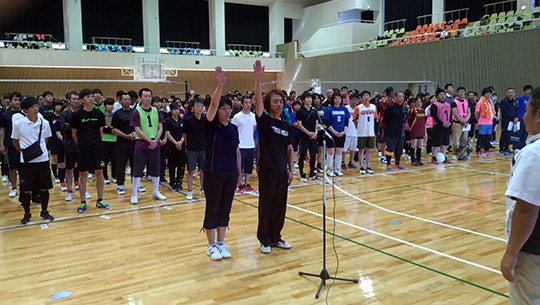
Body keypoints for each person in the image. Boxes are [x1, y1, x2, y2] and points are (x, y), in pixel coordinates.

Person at [500, 86, 540, 304]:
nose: (524, 115)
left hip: (533, 251)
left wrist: (511, 253)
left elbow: (526, 209)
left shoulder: (534, 154)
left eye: (528, 109)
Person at [253, 60, 294, 254]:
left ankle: (276, 237)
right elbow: (258, 103)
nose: (279, 104)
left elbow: (289, 149)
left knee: (280, 205)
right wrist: (258, 80)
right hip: (267, 169)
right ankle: (264, 239)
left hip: (281, 170)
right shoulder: (264, 120)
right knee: (266, 204)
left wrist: (291, 170)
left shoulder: (286, 125)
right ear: (269, 104)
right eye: (275, 101)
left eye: (281, 101)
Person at [201, 66, 241, 261]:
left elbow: (236, 151)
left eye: (229, 108)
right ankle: (210, 245)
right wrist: (220, 84)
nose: (226, 111)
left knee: (225, 208)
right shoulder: (211, 125)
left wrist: (239, 173)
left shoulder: (233, 129)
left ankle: (220, 242)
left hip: (229, 173)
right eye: (223, 108)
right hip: (212, 172)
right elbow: (213, 105)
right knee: (213, 208)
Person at [11, 95, 54, 224]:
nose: (36, 109)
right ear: (25, 110)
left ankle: (45, 211)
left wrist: (39, 151)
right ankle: (27, 213)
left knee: (44, 188)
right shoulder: (19, 124)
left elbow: (46, 140)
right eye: (32, 107)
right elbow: (15, 141)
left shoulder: (44, 123)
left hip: (43, 160)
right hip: (26, 162)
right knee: (25, 189)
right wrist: (24, 153)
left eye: (36, 106)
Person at [71, 89, 108, 212]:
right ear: (82, 100)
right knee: (83, 175)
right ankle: (82, 202)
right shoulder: (77, 115)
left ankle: (100, 199)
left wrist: (96, 143)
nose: (91, 99)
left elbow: (100, 132)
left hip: (97, 148)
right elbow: (74, 134)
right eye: (88, 97)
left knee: (99, 173)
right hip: (83, 149)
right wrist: (83, 144)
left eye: (92, 96)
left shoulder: (99, 114)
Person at [129, 88, 167, 204]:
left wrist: (155, 140)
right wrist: (149, 141)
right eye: (145, 96)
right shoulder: (137, 112)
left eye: (149, 96)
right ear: (140, 98)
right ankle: (134, 193)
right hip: (141, 143)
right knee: (138, 169)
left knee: (156, 168)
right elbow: (137, 130)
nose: (147, 98)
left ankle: (156, 191)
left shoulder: (157, 111)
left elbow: (161, 127)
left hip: (155, 143)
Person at [111, 91, 137, 195]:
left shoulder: (135, 112)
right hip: (122, 143)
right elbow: (113, 129)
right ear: (120, 101)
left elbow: (138, 126)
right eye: (125, 99)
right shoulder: (117, 114)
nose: (127, 101)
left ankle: (135, 183)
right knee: (120, 164)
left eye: (129, 99)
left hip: (134, 143)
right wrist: (125, 135)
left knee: (135, 164)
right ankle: (120, 185)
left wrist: (135, 133)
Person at [231, 94, 258, 191]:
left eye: (249, 103)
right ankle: (239, 184)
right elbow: (233, 131)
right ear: (242, 104)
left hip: (250, 145)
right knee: (239, 167)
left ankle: (246, 183)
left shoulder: (253, 116)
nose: (248, 105)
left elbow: (253, 129)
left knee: (249, 167)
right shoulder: (237, 117)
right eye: (246, 103)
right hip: (240, 146)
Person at [293, 92, 320, 182]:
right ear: (303, 100)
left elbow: (317, 123)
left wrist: (315, 132)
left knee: (313, 154)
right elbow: (299, 125)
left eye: (310, 98)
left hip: (313, 136)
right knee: (303, 155)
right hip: (303, 136)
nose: (309, 100)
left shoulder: (314, 111)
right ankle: (302, 173)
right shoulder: (300, 112)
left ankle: (312, 173)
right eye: (307, 98)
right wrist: (308, 133)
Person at [182, 98, 206, 200]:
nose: (200, 108)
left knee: (203, 170)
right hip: (192, 148)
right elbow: (184, 135)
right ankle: (190, 191)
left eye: (201, 106)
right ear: (192, 108)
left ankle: (203, 189)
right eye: (197, 106)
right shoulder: (188, 120)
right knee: (191, 170)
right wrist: (190, 144)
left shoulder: (205, 120)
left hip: (203, 148)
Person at [0, 92, 22, 197]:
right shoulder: (5, 115)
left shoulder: (25, 114)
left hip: (23, 144)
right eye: (15, 100)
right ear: (10, 101)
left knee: (24, 166)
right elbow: (2, 130)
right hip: (10, 143)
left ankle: (24, 186)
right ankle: (14, 187)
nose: (17, 102)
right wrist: (1, 144)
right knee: (12, 166)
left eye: (19, 100)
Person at [323, 92, 349, 177]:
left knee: (339, 152)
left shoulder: (344, 109)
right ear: (333, 99)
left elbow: (346, 121)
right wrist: (334, 132)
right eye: (336, 98)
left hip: (341, 134)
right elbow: (326, 122)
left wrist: (344, 131)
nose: (338, 100)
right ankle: (329, 169)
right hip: (331, 134)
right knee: (331, 151)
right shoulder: (329, 109)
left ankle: (338, 169)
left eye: (339, 98)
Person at [383, 91, 408, 170]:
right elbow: (385, 119)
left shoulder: (405, 108)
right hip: (392, 131)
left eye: (402, 97)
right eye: (399, 96)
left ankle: (397, 163)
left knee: (399, 149)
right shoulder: (391, 107)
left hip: (401, 131)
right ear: (395, 98)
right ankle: (388, 163)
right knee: (390, 148)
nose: (401, 98)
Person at [353, 90, 376, 174]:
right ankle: (362, 167)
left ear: (370, 97)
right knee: (361, 151)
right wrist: (358, 128)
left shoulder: (373, 107)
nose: (366, 97)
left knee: (369, 151)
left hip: (370, 132)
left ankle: (368, 166)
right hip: (361, 132)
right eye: (364, 96)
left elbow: (374, 118)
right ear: (362, 98)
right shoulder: (358, 108)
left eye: (367, 95)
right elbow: (354, 119)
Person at [164, 103, 186, 191]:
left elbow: (185, 133)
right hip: (172, 146)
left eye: (178, 109)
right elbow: (167, 133)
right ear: (171, 110)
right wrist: (175, 142)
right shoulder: (168, 121)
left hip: (181, 145)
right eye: (175, 109)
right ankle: (172, 182)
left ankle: (179, 181)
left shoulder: (182, 121)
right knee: (172, 164)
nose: (177, 111)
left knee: (181, 164)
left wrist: (180, 142)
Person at [430, 89, 452, 163]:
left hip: (447, 126)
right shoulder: (434, 105)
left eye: (443, 94)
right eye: (440, 95)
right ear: (437, 96)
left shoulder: (448, 105)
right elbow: (434, 115)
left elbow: (450, 115)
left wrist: (450, 122)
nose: (442, 96)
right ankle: (434, 157)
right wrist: (442, 123)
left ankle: (443, 156)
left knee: (445, 142)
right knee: (436, 142)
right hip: (438, 126)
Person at [450, 87, 471, 160]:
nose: (461, 93)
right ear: (457, 93)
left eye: (463, 91)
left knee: (464, 140)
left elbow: (469, 112)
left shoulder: (466, 101)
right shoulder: (454, 102)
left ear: (465, 93)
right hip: (457, 123)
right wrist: (462, 121)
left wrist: (466, 120)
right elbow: (455, 113)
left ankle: (462, 154)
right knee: (456, 139)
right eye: (460, 91)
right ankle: (454, 153)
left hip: (465, 123)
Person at [475, 87, 497, 157]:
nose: (489, 95)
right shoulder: (481, 101)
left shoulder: (490, 101)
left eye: (490, 93)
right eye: (487, 93)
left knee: (488, 137)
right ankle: (478, 151)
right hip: (482, 121)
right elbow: (476, 112)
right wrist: (478, 120)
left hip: (489, 122)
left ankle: (486, 150)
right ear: (484, 94)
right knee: (481, 136)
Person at [377, 87, 395, 163]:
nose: (394, 93)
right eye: (393, 92)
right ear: (389, 92)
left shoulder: (393, 101)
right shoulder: (383, 101)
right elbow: (385, 111)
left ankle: (388, 155)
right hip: (384, 123)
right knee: (383, 140)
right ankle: (383, 156)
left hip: (392, 123)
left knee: (389, 140)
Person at [102, 98, 117, 184]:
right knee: (105, 159)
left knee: (114, 159)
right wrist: (109, 129)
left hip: (114, 140)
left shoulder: (116, 115)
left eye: (111, 104)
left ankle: (113, 176)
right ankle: (105, 177)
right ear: (105, 106)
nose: (110, 106)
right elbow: (102, 128)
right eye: (108, 105)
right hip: (104, 140)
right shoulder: (102, 116)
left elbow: (116, 127)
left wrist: (109, 129)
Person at [499, 88, 518, 154]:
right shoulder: (503, 102)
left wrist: (516, 117)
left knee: (510, 135)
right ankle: (501, 148)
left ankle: (507, 148)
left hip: (513, 122)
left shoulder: (514, 102)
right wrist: (513, 118)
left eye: (512, 92)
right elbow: (505, 112)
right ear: (507, 93)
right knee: (504, 134)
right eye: (509, 92)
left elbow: (516, 111)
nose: (511, 94)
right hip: (506, 121)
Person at [343, 93, 359, 170]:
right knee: (344, 148)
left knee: (353, 148)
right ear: (350, 100)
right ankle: (343, 162)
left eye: (356, 99)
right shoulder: (346, 108)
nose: (355, 101)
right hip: (347, 131)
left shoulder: (359, 109)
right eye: (353, 99)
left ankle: (351, 162)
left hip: (355, 132)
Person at [516, 85, 533, 150]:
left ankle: (522, 146)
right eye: (527, 90)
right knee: (519, 132)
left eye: (530, 91)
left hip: (528, 118)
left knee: (525, 133)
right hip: (520, 117)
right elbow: (516, 108)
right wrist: (516, 116)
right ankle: (516, 146)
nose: (529, 92)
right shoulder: (520, 98)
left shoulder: (530, 99)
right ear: (524, 91)